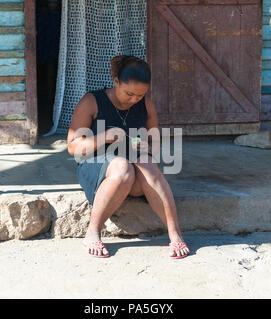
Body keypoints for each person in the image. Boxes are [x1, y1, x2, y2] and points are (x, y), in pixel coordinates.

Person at [67, 55, 190, 259]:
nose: (134, 99)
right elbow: (73, 147)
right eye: (129, 93)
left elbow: (154, 142)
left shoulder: (147, 105)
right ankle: (93, 231)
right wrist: (105, 137)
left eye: (140, 95)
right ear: (116, 82)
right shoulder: (92, 101)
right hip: (98, 166)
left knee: (147, 164)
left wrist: (146, 146)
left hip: (134, 174)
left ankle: (175, 234)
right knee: (122, 167)